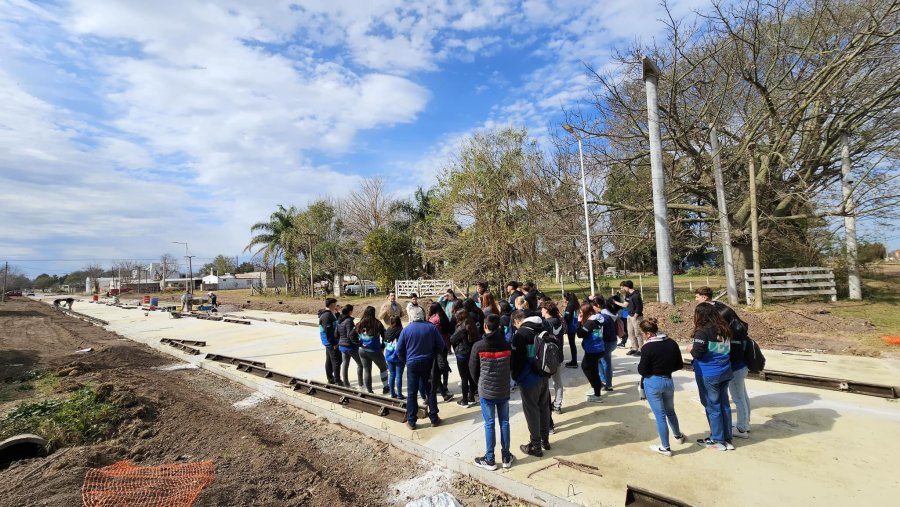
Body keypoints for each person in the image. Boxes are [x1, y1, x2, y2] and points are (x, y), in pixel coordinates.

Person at [694, 287, 752, 439]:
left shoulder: (719, 320)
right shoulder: (723, 311)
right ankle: (744, 423)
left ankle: (741, 428)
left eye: (698, 296)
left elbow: (704, 350)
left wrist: (698, 346)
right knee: (740, 395)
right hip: (735, 361)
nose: (696, 299)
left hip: (732, 363)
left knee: (737, 397)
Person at [470, 314, 515, 470]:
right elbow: (511, 366)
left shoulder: (478, 346)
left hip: (486, 391)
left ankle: (490, 459)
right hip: (503, 389)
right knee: (504, 422)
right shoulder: (507, 345)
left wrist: (480, 384)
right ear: (499, 327)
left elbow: (472, 369)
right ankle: (506, 457)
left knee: (489, 424)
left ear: (485, 326)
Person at [637, 318, 686, 456]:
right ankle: (678, 436)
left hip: (653, 382)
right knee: (670, 411)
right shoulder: (671, 342)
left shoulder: (647, 347)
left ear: (647, 333)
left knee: (660, 416)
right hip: (668, 381)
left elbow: (642, 370)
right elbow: (679, 364)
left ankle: (665, 447)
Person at [690, 303, 734, 451]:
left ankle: (717, 439)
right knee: (724, 406)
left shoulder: (702, 332)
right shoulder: (725, 328)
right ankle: (727, 438)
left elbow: (698, 353)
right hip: (725, 371)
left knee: (712, 406)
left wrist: (691, 348)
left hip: (709, 374)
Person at [510, 309, 551, 457]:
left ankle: (535, 445)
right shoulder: (543, 327)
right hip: (544, 375)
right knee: (544, 408)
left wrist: (515, 376)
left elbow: (517, 361)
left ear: (517, 321)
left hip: (528, 379)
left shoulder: (520, 335)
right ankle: (545, 440)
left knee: (532, 411)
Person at [396, 306, 445, 429]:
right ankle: (434, 418)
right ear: (422, 316)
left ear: (411, 317)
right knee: (430, 390)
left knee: (412, 393)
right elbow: (441, 345)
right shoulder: (431, 328)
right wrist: (433, 354)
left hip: (412, 363)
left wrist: (406, 361)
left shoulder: (406, 330)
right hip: (428, 361)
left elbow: (399, 350)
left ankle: (411, 421)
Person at [354, 306, 390, 394]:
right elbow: (385, 336)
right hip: (375, 350)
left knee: (367, 370)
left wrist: (359, 344)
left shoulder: (359, 323)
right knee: (383, 368)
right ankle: (385, 387)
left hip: (362, 350)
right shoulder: (377, 323)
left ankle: (370, 390)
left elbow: (351, 335)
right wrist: (382, 346)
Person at [575, 303, 606, 403]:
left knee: (587, 368)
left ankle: (597, 393)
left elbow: (580, 334)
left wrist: (579, 322)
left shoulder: (590, 323)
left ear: (586, 312)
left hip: (593, 350)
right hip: (598, 348)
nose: (579, 313)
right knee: (593, 369)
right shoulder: (597, 319)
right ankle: (596, 387)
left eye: (581, 312)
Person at [450, 309, 480, 407]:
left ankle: (465, 400)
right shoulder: (472, 325)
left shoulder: (461, 328)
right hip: (471, 353)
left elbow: (452, 339)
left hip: (462, 354)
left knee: (464, 378)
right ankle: (471, 396)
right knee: (471, 376)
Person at [540, 301, 566, 414]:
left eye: (542, 309)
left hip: (548, 356)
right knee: (557, 381)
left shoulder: (546, 323)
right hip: (558, 354)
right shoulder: (558, 321)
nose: (541, 311)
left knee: (545, 382)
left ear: (546, 310)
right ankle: (557, 404)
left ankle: (547, 405)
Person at [427, 302, 454, 401]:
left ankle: (440, 388)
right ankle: (445, 385)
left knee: (435, 368)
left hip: (436, 345)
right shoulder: (443, 316)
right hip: (445, 343)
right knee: (444, 364)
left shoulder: (433, 319)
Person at [614, 281, 644, 355]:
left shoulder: (636, 295)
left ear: (627, 287)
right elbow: (625, 305)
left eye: (623, 287)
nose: (622, 288)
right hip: (629, 316)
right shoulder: (628, 294)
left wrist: (635, 316)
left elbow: (639, 307)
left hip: (636, 317)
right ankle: (634, 348)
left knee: (638, 333)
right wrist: (615, 302)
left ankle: (641, 349)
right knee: (630, 333)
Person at [337, 305, 364, 389]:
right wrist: (358, 343)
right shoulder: (348, 321)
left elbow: (336, 333)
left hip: (342, 346)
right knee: (360, 364)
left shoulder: (339, 320)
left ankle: (346, 384)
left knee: (345, 364)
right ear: (350, 312)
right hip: (350, 347)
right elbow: (350, 335)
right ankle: (361, 384)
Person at [318, 298, 342, 384]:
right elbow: (328, 332)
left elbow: (337, 322)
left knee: (329, 360)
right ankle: (337, 380)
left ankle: (330, 378)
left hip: (330, 342)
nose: (337, 306)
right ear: (332, 305)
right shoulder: (326, 316)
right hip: (331, 342)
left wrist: (338, 312)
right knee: (337, 361)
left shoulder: (330, 314)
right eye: (336, 304)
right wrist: (334, 343)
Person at [598, 298, 619, 391]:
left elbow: (603, 333)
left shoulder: (602, 316)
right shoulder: (610, 313)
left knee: (606, 363)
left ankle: (608, 384)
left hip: (607, 342)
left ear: (598, 305)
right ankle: (604, 381)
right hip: (613, 341)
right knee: (601, 361)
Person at [384, 316, 405, 399]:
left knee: (392, 375)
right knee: (399, 375)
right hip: (399, 356)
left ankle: (392, 393)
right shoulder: (401, 331)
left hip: (389, 355)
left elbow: (385, 341)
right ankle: (399, 394)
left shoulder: (388, 330)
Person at [563, 292, 580, 368]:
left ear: (566, 298)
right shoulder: (574, 304)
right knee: (572, 344)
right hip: (574, 326)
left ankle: (574, 362)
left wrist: (562, 319)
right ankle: (574, 360)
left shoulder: (570, 306)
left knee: (572, 344)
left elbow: (568, 318)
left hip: (571, 327)